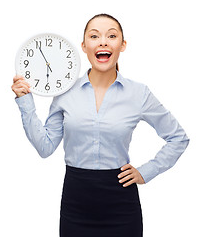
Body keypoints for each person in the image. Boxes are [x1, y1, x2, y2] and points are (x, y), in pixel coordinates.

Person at [11, 13, 190, 237]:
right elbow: (45, 147)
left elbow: (178, 138)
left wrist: (146, 172)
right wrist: (25, 101)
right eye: (94, 36)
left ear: (122, 45)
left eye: (111, 36)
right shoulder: (64, 93)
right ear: (84, 46)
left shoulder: (139, 94)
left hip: (121, 203)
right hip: (76, 201)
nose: (103, 41)